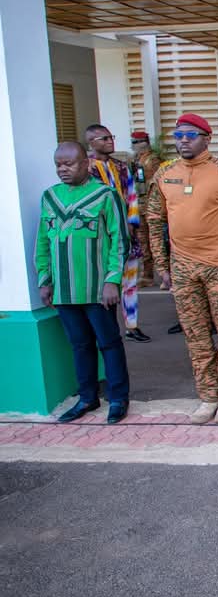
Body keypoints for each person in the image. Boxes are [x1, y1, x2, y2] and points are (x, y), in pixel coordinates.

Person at [146, 114, 218, 424]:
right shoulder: (165, 174)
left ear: (206, 138)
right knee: (195, 334)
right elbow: (154, 221)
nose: (183, 140)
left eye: (190, 135)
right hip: (182, 268)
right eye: (178, 135)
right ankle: (208, 395)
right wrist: (163, 265)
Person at [36, 142, 131, 425]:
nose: (63, 169)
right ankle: (88, 398)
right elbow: (42, 241)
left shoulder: (105, 195)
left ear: (86, 164)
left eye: (70, 163)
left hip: (97, 289)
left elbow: (120, 242)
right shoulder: (50, 197)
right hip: (64, 291)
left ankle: (118, 398)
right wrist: (45, 280)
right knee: (79, 346)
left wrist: (112, 281)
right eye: (58, 164)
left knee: (109, 343)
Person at [85, 123, 150, 343]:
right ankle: (108, 328)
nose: (109, 141)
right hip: (102, 238)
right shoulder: (86, 169)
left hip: (126, 235)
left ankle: (132, 326)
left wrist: (131, 222)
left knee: (130, 282)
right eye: (103, 138)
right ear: (91, 143)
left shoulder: (121, 167)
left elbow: (132, 195)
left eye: (110, 137)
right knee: (106, 284)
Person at [130, 131, 161, 287]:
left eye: (137, 142)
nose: (134, 145)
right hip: (138, 206)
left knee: (157, 241)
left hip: (151, 206)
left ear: (145, 142)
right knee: (143, 242)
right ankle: (147, 275)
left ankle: (164, 274)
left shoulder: (153, 160)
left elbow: (157, 183)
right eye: (133, 142)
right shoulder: (135, 160)